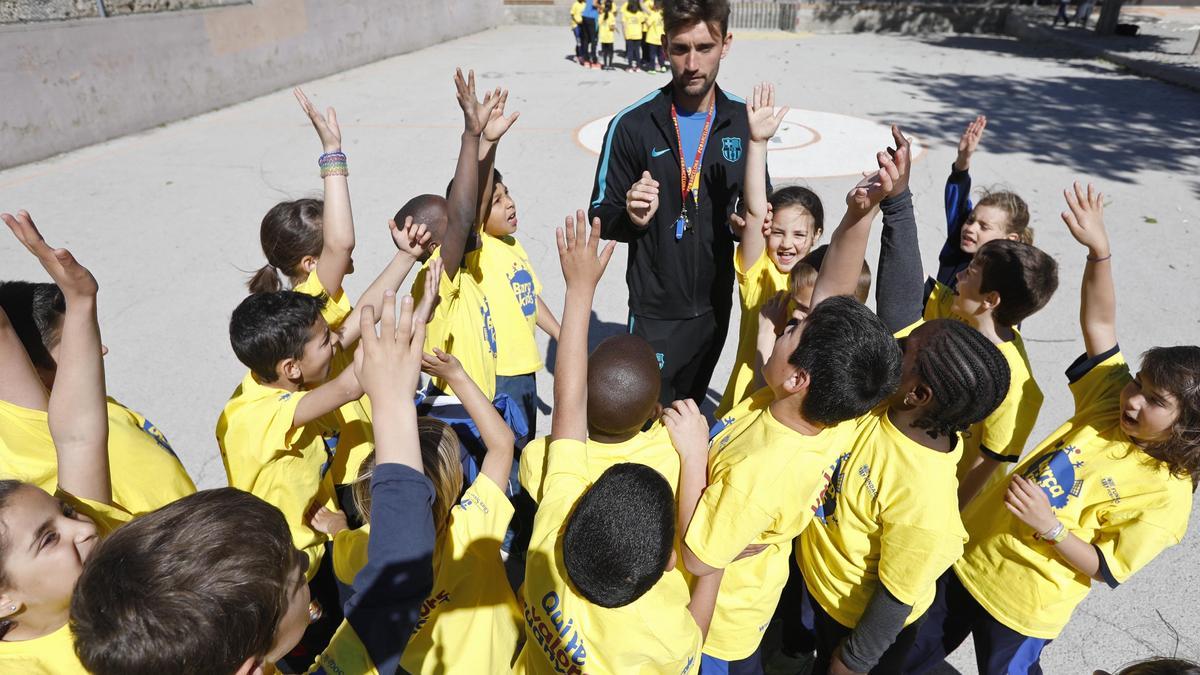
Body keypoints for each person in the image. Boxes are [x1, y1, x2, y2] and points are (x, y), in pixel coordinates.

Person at [904, 183, 1200, 674]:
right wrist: (1099, 251)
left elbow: (1105, 567)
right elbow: (1101, 328)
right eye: (1139, 384)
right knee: (903, 660)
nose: (1133, 397)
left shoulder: (1168, 499)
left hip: (1025, 607)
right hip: (969, 559)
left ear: (1188, 426)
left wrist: (1051, 526)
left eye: (1154, 399)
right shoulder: (1108, 405)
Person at [71, 291, 439, 675]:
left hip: (307, 550)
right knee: (338, 636)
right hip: (283, 567)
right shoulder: (255, 417)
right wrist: (397, 367)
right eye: (325, 339)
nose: (335, 340)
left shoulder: (282, 383)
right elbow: (350, 387)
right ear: (291, 367)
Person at [678, 150, 905, 674]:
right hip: (747, 596)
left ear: (798, 376)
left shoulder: (762, 470)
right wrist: (860, 215)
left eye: (791, 330)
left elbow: (699, 558)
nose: (784, 322)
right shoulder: (824, 409)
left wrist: (693, 453)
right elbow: (831, 290)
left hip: (717, 628)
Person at [515, 211, 721, 673]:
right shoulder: (659, 637)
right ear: (668, 564)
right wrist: (715, 554)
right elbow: (697, 635)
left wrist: (578, 289)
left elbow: (568, 403)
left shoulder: (549, 538)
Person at [589, 0, 760, 406]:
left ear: (726, 43)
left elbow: (758, 203)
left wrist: (743, 222)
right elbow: (600, 213)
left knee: (689, 413)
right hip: (655, 311)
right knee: (644, 421)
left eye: (705, 47)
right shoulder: (632, 124)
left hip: (716, 308)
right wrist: (630, 216)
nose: (692, 63)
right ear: (664, 45)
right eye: (681, 49)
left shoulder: (742, 120)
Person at [879, 126, 1060, 507]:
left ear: (991, 299)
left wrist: (946, 511)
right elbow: (905, 289)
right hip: (909, 475)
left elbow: (988, 463)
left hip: (944, 501)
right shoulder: (953, 308)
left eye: (970, 273)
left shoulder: (1014, 383)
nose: (957, 275)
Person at [327, 347, 522, 674]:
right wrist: (455, 376)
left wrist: (336, 527)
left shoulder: (363, 545)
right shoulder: (472, 526)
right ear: (453, 481)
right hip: (502, 660)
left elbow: (341, 556)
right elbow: (501, 443)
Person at [0, 212, 132, 674]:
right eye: (49, 538)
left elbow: (78, 438)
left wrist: (81, 301)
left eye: (67, 512)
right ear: (2, 600)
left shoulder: (96, 574)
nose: (87, 526)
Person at [0, 276, 196, 516]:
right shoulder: (33, 427)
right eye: (74, 344)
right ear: (32, 370)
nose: (100, 350)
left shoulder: (95, 404)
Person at [714, 82, 806, 417]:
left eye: (799, 234)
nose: (786, 243)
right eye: (778, 232)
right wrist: (757, 143)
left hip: (793, 408)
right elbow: (753, 212)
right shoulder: (760, 271)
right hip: (745, 403)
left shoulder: (816, 281)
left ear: (816, 237)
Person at [409, 69, 501, 402]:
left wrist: (489, 144)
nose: (464, 226)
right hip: (455, 411)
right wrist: (470, 136)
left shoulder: (461, 270)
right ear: (434, 245)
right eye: (452, 226)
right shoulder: (433, 276)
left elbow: (475, 211)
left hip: (477, 403)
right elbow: (464, 218)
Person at [938, 115, 1034, 291]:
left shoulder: (1008, 284)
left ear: (1010, 239)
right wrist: (963, 160)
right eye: (970, 220)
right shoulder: (957, 248)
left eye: (984, 226)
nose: (970, 228)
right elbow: (957, 200)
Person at [643, 0, 666, 72]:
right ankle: (662, 66)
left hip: (652, 38)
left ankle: (652, 69)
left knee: (652, 55)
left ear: (655, 6)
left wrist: (646, 20)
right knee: (661, 54)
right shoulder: (663, 15)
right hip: (661, 38)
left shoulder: (653, 15)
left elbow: (648, 24)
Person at [622, 0, 645, 71]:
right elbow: (643, 22)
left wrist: (624, 35)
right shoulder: (640, 13)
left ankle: (630, 67)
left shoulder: (626, 13)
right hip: (638, 35)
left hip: (629, 35)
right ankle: (638, 67)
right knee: (637, 51)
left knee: (630, 51)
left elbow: (623, 25)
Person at [580, 0, 600, 69]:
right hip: (592, 18)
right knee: (593, 39)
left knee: (586, 39)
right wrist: (601, 7)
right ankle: (594, 61)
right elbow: (594, 4)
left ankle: (586, 60)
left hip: (584, 16)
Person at [599, 1, 618, 70]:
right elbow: (611, 26)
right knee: (610, 51)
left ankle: (605, 65)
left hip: (603, 36)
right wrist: (615, 28)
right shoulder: (611, 15)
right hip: (609, 36)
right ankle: (610, 64)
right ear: (611, 7)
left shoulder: (601, 15)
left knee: (604, 51)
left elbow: (599, 24)